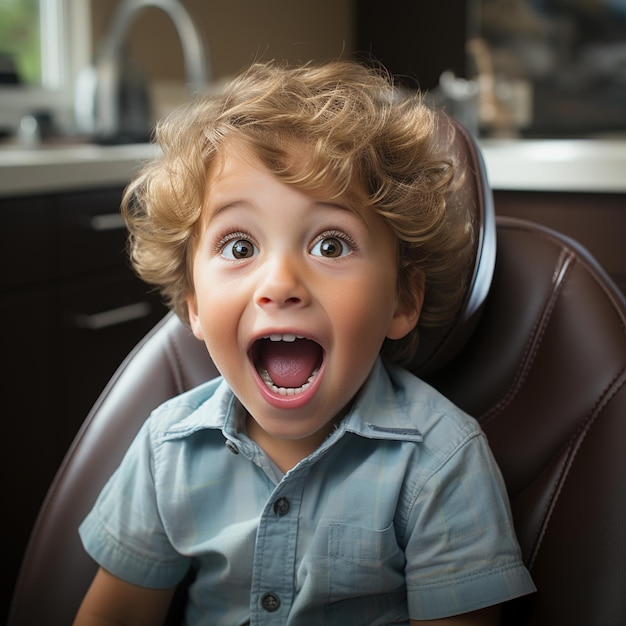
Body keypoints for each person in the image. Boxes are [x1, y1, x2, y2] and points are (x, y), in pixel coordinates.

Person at [73, 59, 535, 625]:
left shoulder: (441, 464)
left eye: (332, 245)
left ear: (401, 302)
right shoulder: (166, 451)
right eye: (240, 247)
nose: (281, 285)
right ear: (193, 303)